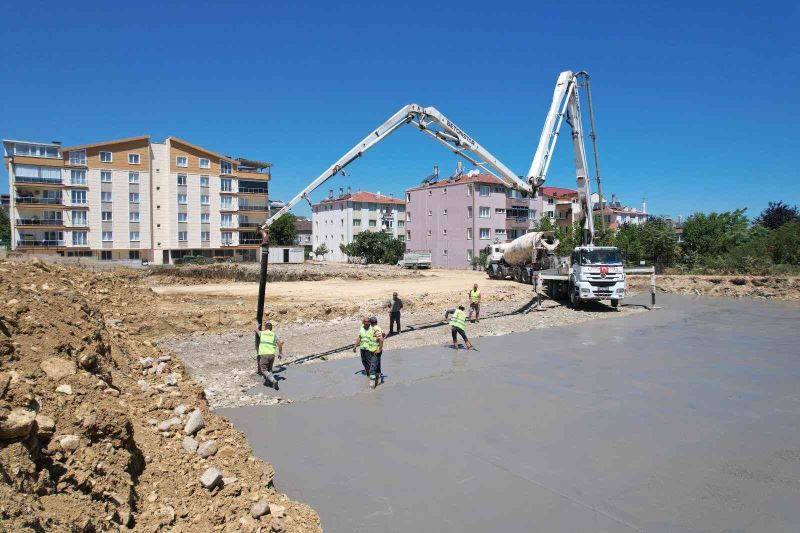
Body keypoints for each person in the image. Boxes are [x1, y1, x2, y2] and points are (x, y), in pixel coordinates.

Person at [255, 321, 284, 390]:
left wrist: (258, 325)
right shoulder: (274, 334)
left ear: (265, 328)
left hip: (264, 354)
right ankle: (269, 381)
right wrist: (280, 353)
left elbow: (256, 330)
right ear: (271, 328)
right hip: (272, 355)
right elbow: (280, 344)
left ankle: (273, 381)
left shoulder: (262, 333)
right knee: (269, 369)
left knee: (264, 370)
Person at [369, 316, 385, 388]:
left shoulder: (376, 329)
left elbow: (381, 339)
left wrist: (379, 349)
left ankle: (372, 384)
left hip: (376, 351)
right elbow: (383, 334)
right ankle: (379, 380)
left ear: (370, 323)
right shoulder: (378, 328)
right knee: (377, 364)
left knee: (373, 365)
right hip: (375, 350)